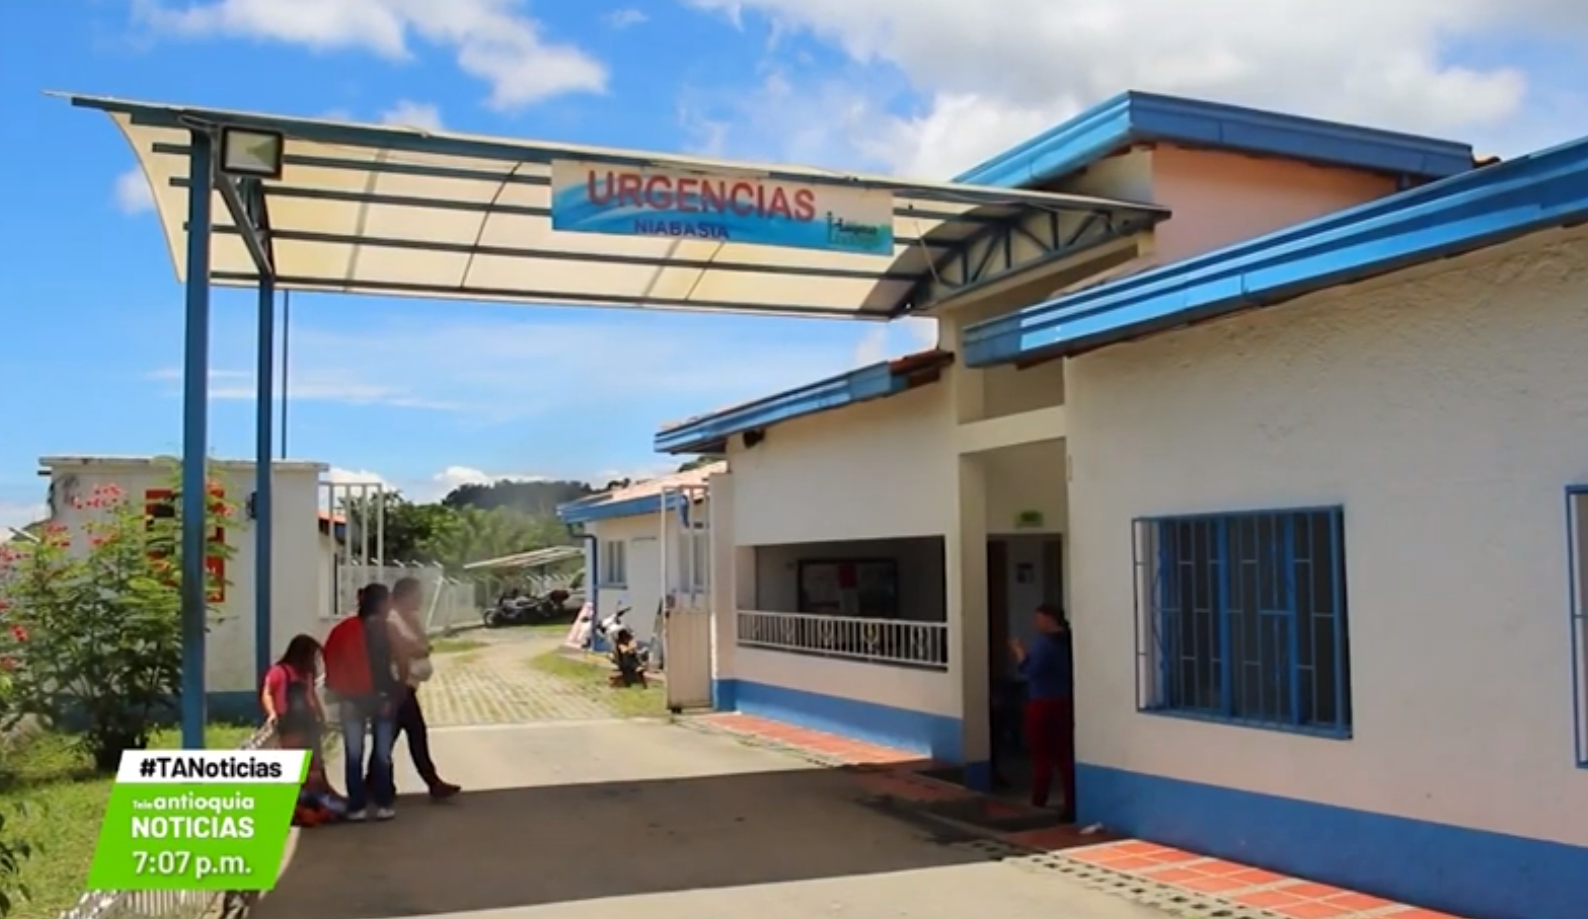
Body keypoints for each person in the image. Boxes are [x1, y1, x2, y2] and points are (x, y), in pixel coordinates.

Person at [323, 582, 402, 821]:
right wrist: (395, 693)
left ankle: (357, 805)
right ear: (382, 603)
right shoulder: (389, 630)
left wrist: (337, 689)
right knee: (382, 753)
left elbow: (330, 660)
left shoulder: (342, 630)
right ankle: (383, 802)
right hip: (382, 698)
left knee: (354, 752)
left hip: (351, 699)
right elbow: (399, 663)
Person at [388, 577, 460, 800]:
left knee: (390, 737)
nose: (421, 599)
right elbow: (405, 649)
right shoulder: (391, 620)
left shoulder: (411, 618)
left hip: (409, 685)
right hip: (398, 685)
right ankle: (433, 782)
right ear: (405, 595)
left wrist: (419, 643)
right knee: (415, 733)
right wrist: (418, 648)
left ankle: (374, 781)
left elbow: (423, 645)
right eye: (417, 595)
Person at [1009, 603, 1076, 820]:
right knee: (1064, 755)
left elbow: (1030, 671)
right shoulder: (1068, 642)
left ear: (1049, 619)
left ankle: (1038, 802)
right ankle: (1071, 802)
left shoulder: (1044, 644)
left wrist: (1019, 652)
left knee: (1041, 756)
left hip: (1043, 703)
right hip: (1064, 701)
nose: (1036, 623)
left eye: (1039, 619)